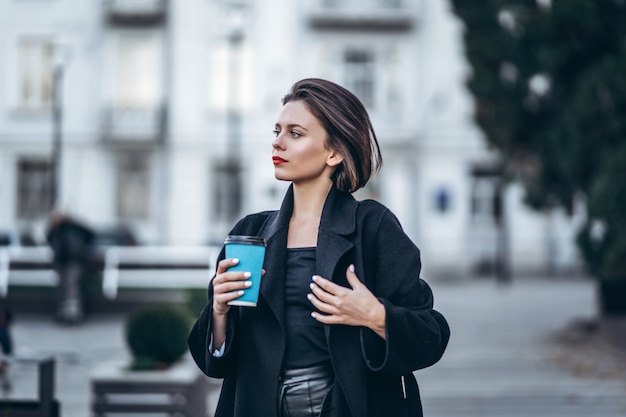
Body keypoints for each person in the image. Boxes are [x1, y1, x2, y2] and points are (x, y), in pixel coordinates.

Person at [188, 78, 450, 417]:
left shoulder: (373, 227)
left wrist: (377, 316)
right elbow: (216, 362)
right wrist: (219, 313)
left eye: (295, 134)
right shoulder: (250, 232)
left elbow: (431, 334)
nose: (278, 143)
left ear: (334, 152)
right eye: (276, 131)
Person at [46, 211, 95, 323]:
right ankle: (63, 313)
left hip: (74, 260)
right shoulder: (55, 230)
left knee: (72, 285)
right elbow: (49, 238)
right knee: (62, 287)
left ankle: (74, 314)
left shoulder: (74, 227)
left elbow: (90, 234)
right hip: (61, 261)